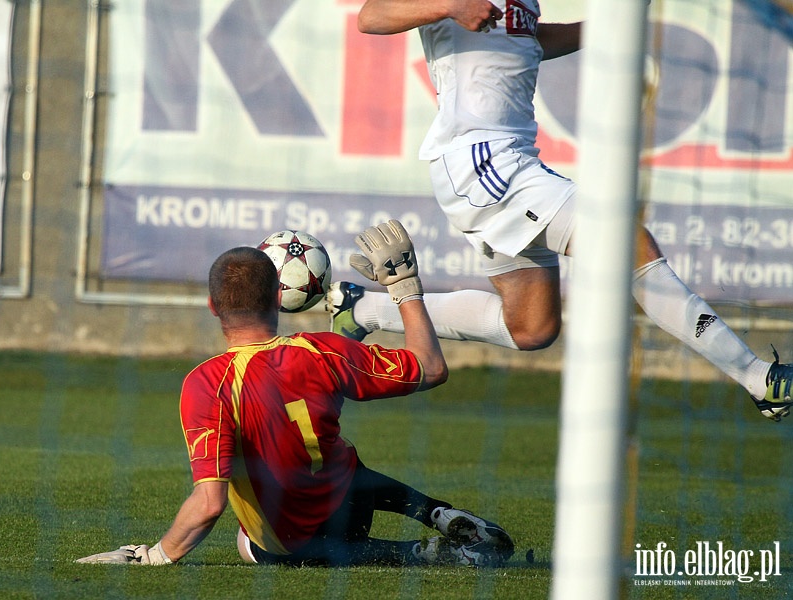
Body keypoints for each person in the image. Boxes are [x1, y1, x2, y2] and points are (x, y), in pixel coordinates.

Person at [325, 0, 793, 421]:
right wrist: (450, 6)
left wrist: (603, 29)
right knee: (625, 242)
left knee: (531, 327)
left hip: (506, 163)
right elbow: (372, 15)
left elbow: (528, 40)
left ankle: (363, 308)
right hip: (483, 161)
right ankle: (758, 377)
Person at [76, 220, 515, 568]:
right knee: (339, 461)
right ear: (279, 297)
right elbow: (431, 368)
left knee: (251, 545)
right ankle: (435, 512)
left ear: (213, 307)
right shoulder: (324, 350)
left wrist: (156, 554)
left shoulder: (207, 383)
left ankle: (422, 553)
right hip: (352, 499)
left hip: (302, 537)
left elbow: (209, 503)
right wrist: (403, 286)